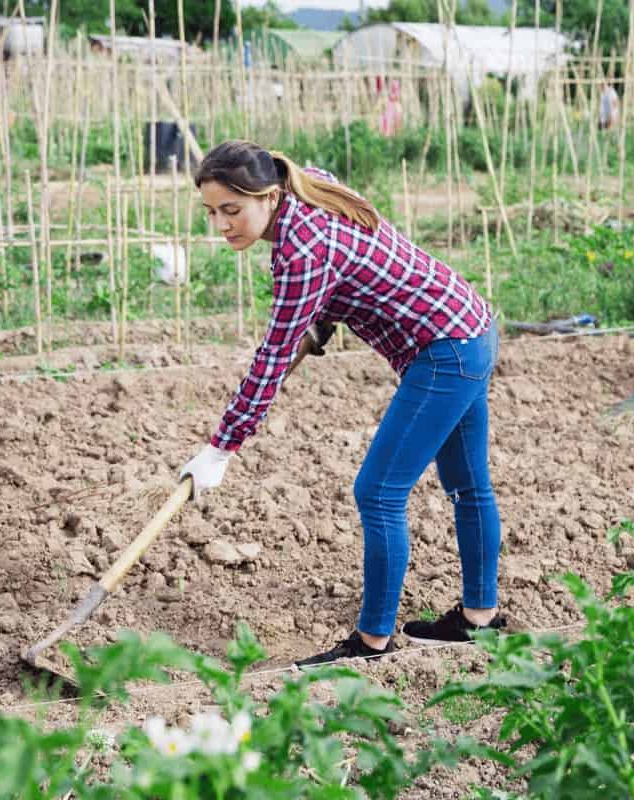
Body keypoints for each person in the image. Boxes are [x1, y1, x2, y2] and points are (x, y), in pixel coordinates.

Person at [177, 141, 505, 668]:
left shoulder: (300, 253)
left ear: (267, 195)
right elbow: (353, 265)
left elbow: (271, 359)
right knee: (468, 486)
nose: (221, 224)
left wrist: (221, 447)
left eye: (231, 210)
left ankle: (372, 643)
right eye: (211, 212)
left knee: (377, 491)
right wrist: (323, 319)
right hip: (469, 326)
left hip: (445, 350)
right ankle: (478, 619)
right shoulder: (310, 184)